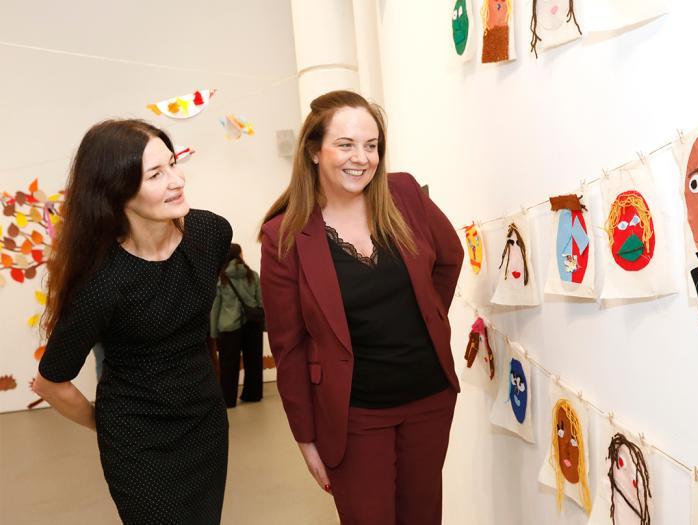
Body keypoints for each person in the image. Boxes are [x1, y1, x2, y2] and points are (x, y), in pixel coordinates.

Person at [259, 90, 463, 525]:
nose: (362, 158)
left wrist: (427, 320)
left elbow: (449, 258)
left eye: (371, 146)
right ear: (314, 151)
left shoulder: (404, 193)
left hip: (429, 399)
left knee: (424, 517)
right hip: (355, 415)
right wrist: (305, 437)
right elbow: (289, 346)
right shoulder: (285, 235)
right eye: (346, 144)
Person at [32, 119, 232, 524]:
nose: (177, 180)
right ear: (116, 191)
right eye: (156, 174)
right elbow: (51, 382)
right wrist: (110, 429)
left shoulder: (210, 232)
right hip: (139, 444)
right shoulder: (102, 283)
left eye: (173, 164)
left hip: (206, 423)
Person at [210, 243, 264, 407]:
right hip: (252, 325)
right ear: (240, 254)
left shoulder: (222, 278)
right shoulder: (252, 275)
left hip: (229, 326)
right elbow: (261, 302)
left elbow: (215, 307)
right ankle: (253, 394)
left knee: (228, 363)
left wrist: (213, 333)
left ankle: (228, 399)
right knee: (254, 360)